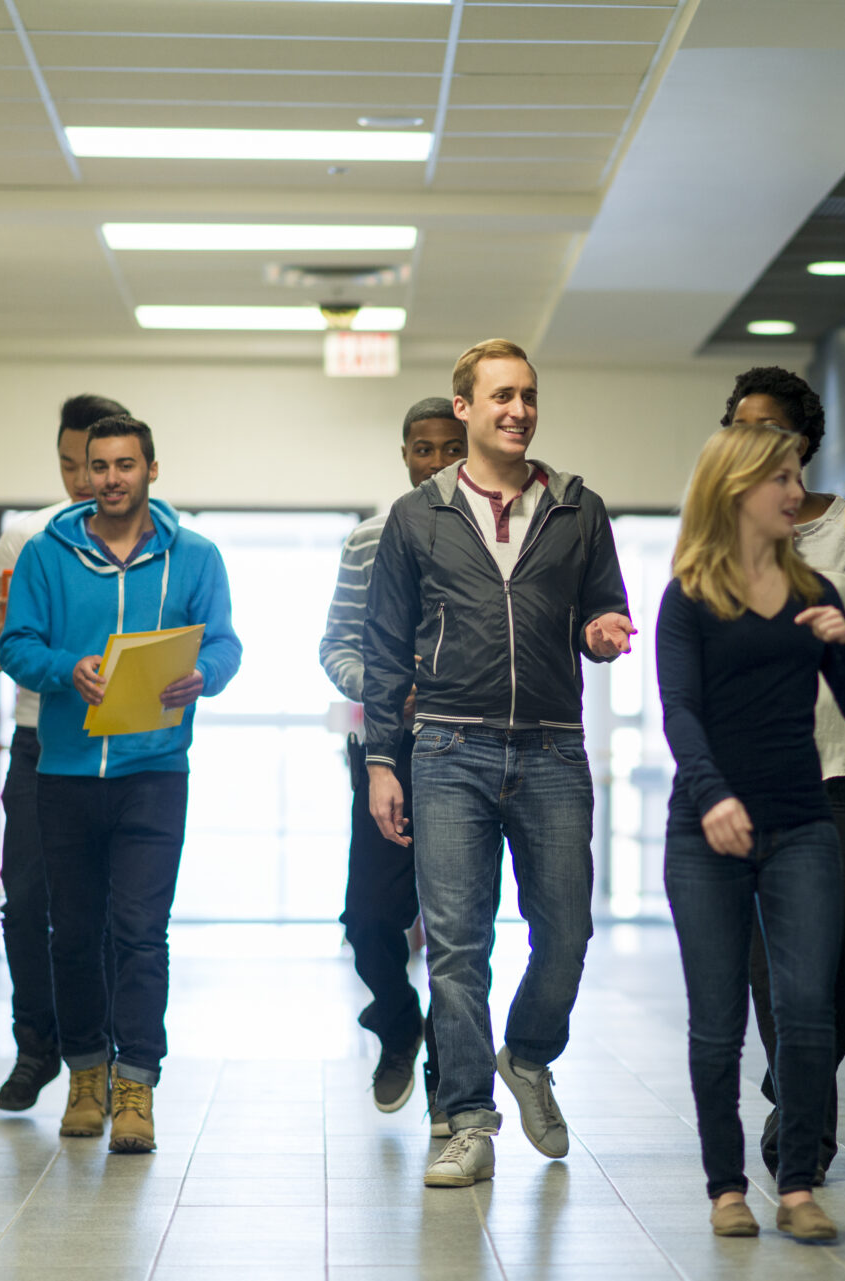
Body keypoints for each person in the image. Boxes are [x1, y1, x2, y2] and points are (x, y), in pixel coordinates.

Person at [361, 338, 634, 1189]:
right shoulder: (419, 517)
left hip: (553, 745)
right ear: (467, 409)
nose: (518, 409)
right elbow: (382, 647)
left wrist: (604, 631)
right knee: (455, 946)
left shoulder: (578, 509)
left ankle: (531, 1052)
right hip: (446, 745)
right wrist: (381, 759)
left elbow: (607, 606)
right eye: (502, 396)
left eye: (529, 395)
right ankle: (466, 1121)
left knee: (567, 931)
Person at [654, 423, 845, 1241]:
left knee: (806, 1010)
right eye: (782, 478)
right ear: (737, 487)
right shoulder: (688, 595)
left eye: (798, 476)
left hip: (801, 824)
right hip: (704, 833)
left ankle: (798, 1185)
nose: (797, 492)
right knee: (717, 1018)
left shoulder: (811, 586)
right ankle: (725, 1187)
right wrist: (711, 794)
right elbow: (679, 708)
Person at [0, 415, 242, 1153]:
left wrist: (208, 676)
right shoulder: (47, 554)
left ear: (151, 470)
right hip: (65, 771)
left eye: (125, 465)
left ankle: (136, 1085)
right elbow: (15, 642)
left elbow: (225, 642)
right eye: (99, 465)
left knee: (140, 932)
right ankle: (85, 1074)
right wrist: (64, 668)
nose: (110, 478)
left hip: (155, 773)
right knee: (71, 933)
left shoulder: (196, 556)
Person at [721, 366, 845, 1182]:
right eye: (738, 424)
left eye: (767, 425)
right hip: (758, 774)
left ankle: (791, 1081)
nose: (751, 438)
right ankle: (807, 1136)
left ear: (803, 440)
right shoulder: (719, 529)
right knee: (775, 962)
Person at [318, 397, 467, 1122]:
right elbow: (336, 645)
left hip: (469, 751)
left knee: (454, 924)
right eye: (422, 448)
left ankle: (452, 1067)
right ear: (404, 454)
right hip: (385, 750)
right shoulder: (370, 540)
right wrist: (383, 689)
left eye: (449, 448)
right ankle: (397, 1018)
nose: (435, 461)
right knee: (368, 917)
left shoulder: (490, 540)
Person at [0, 393, 127, 1112]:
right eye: (70, 464)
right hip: (42, 738)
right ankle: (36, 1043)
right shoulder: (28, 538)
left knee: (100, 908)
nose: (81, 479)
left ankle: (95, 1053)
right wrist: (18, 623)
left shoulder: (147, 537)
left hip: (120, 742)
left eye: (94, 464)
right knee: (28, 900)